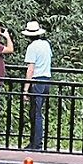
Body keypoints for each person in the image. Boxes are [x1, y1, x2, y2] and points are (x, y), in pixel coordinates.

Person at [22, 19, 54, 152]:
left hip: (37, 81)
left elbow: (30, 69)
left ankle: (36, 144)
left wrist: (25, 89)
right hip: (46, 80)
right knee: (37, 112)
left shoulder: (32, 47)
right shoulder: (46, 44)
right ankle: (35, 142)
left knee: (36, 113)